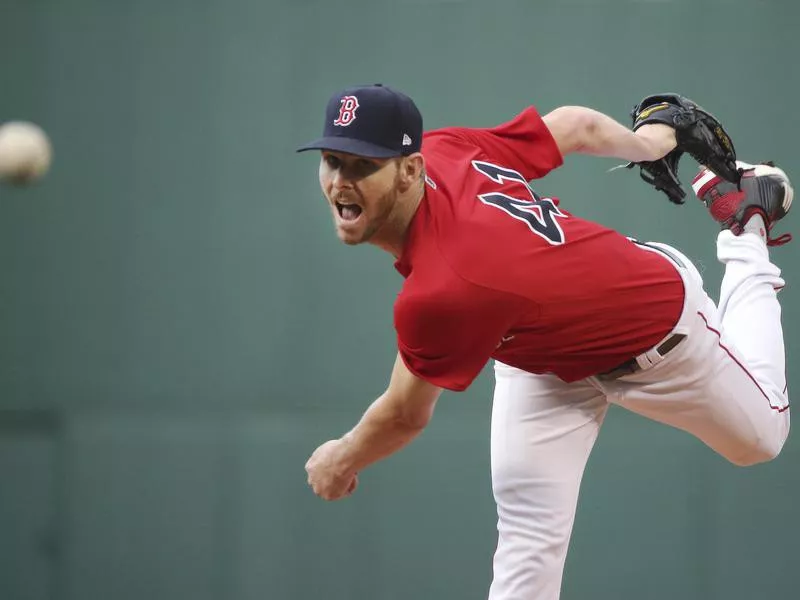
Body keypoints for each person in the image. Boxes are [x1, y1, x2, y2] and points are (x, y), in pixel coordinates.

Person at [298, 83, 792, 600]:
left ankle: (746, 227)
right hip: (536, 346)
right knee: (527, 538)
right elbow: (574, 126)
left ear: (410, 170)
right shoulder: (445, 150)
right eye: (333, 160)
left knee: (760, 440)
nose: (340, 181)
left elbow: (403, 414)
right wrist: (651, 142)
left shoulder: (447, 285)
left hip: (657, 331)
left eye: (363, 166)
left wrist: (342, 458)